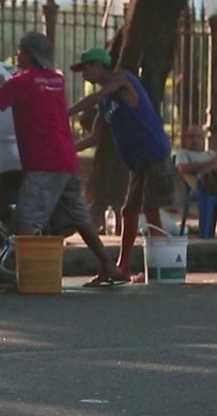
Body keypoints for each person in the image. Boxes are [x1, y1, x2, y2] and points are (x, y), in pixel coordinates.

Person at [0, 31, 124, 287]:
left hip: (43, 162)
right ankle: (109, 266)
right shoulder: (55, 80)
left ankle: (26, 276)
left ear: (30, 54)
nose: (18, 54)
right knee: (79, 217)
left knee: (26, 219)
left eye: (21, 50)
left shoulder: (23, 83)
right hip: (65, 158)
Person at [68, 47, 174, 285]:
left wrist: (65, 112)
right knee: (128, 211)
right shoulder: (106, 104)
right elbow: (95, 137)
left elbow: (94, 98)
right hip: (138, 163)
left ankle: (158, 267)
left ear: (98, 65)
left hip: (154, 156)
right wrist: (67, 149)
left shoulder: (122, 79)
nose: (83, 74)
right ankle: (122, 267)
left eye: (85, 68)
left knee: (151, 210)